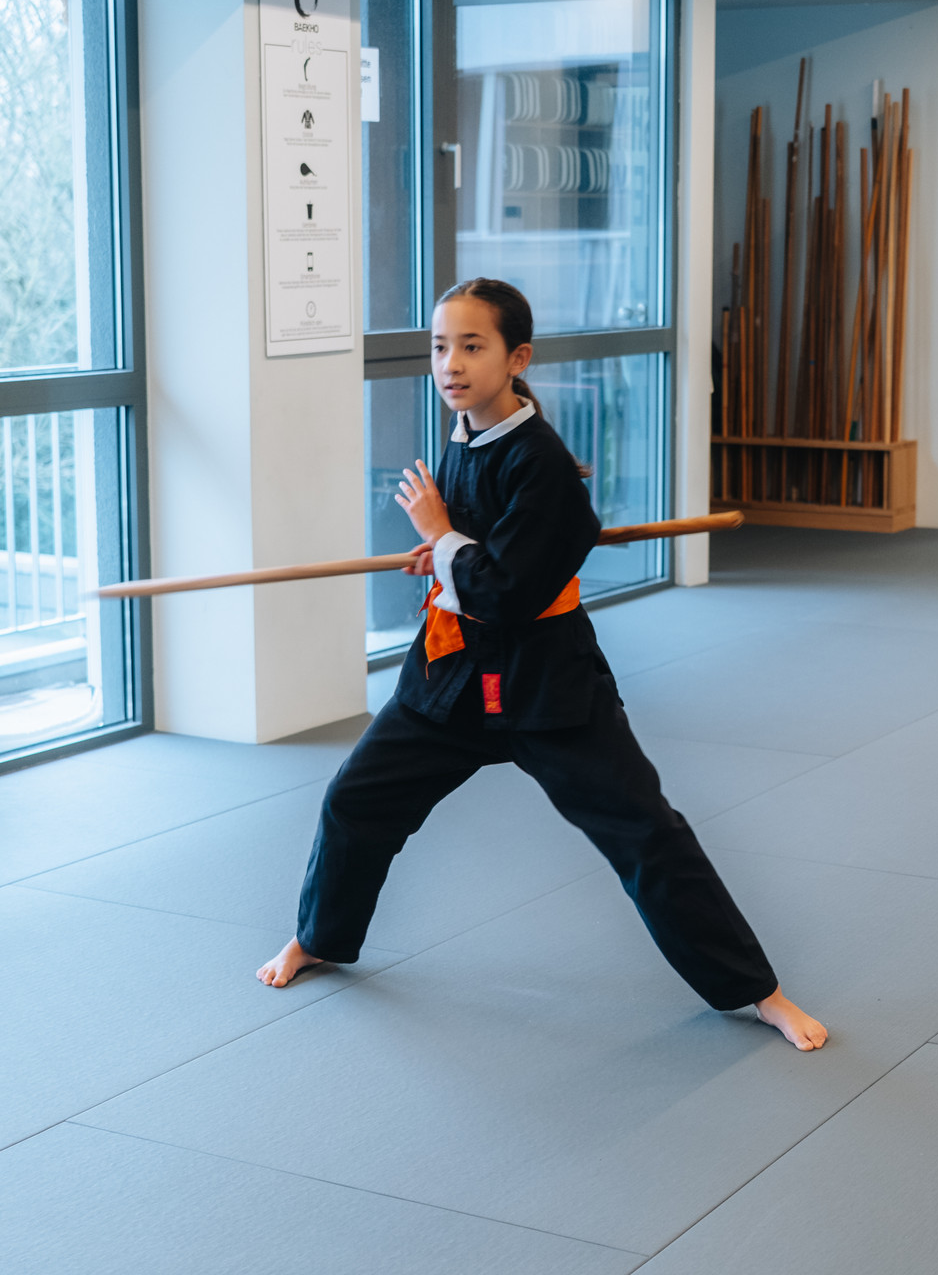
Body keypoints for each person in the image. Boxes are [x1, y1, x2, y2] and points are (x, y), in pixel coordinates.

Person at [257, 278, 827, 1052]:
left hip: (545, 686)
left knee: (646, 835)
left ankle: (756, 991)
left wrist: (446, 540)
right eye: (438, 346)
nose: (450, 363)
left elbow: (509, 592)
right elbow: (479, 562)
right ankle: (322, 936)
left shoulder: (544, 467)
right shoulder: (463, 436)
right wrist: (444, 552)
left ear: (517, 356)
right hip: (452, 682)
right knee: (356, 802)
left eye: (471, 345)